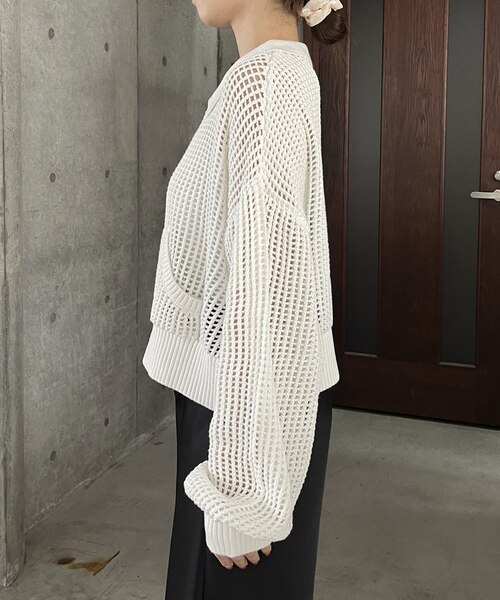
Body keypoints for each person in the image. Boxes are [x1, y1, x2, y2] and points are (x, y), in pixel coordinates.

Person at [142, 0, 347, 598]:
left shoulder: (265, 86)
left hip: (249, 409)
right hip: (246, 397)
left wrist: (241, 491)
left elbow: (268, 290)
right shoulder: (275, 73)